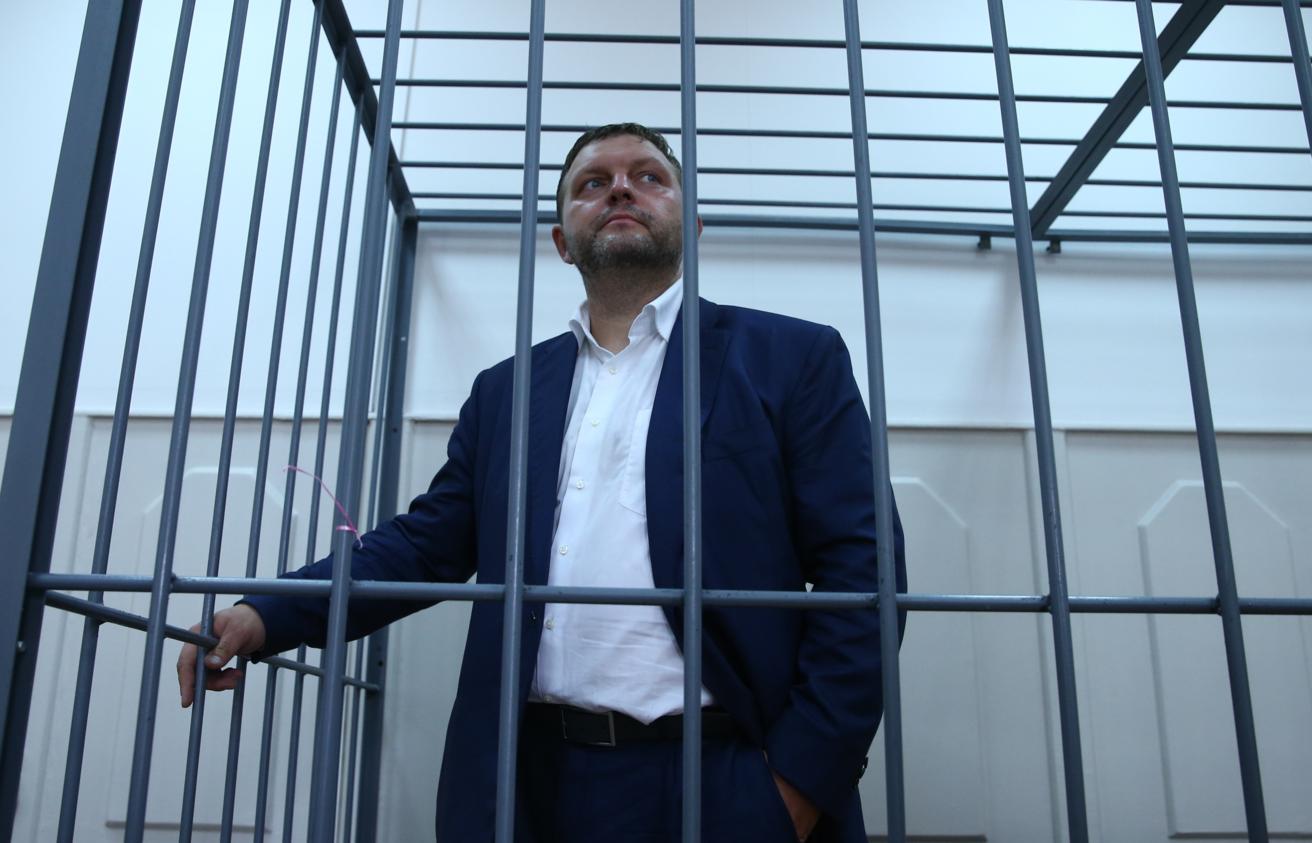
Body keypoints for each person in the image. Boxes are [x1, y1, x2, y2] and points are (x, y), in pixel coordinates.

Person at [177, 122, 906, 843]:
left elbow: (864, 569)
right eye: (592, 183)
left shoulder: (791, 357)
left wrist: (797, 786)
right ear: (562, 240)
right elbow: (425, 544)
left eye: (649, 177)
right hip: (530, 783)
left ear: (692, 225)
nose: (620, 188)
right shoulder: (507, 391)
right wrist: (267, 612)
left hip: (727, 774)